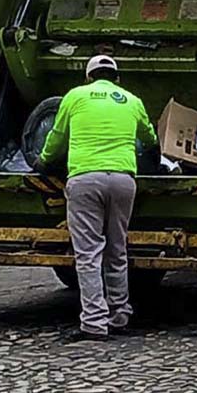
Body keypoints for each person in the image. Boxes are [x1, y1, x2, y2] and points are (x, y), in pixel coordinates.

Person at [36, 55, 157, 342]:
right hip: (123, 181)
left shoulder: (75, 96)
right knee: (117, 248)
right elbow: (150, 139)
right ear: (117, 78)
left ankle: (93, 322)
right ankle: (120, 313)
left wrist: (43, 161)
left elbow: (57, 136)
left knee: (89, 254)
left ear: (88, 77)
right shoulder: (132, 100)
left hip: (85, 180)